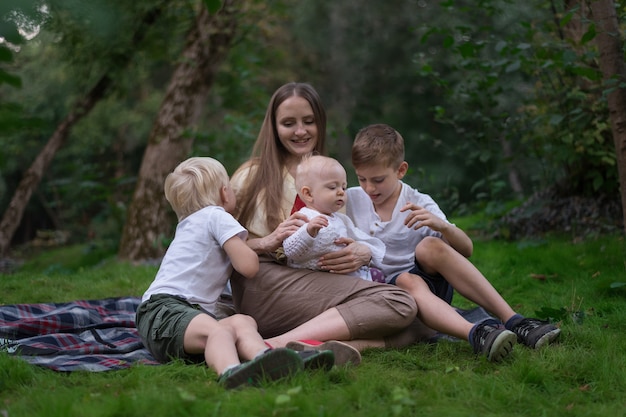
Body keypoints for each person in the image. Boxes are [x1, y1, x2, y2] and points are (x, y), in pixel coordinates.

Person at [230, 82, 433, 363]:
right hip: (266, 283)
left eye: (309, 121)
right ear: (274, 127)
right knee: (399, 303)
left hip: (318, 282)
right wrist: (265, 242)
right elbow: (220, 244)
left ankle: (327, 345)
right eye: (289, 123)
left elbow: (344, 234)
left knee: (424, 318)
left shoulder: (329, 176)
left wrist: (362, 253)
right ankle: (275, 344)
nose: (300, 131)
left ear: (320, 124)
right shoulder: (250, 176)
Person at [345, 123, 562, 361]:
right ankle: (477, 334)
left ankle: (515, 320)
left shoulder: (417, 201)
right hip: (385, 294)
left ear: (401, 170)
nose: (368, 188)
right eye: (362, 178)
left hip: (430, 288)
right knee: (407, 280)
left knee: (430, 246)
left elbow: (466, 249)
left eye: (377, 180)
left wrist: (442, 226)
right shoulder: (349, 199)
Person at [135, 157, 333, 390]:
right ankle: (231, 372)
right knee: (221, 330)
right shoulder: (217, 216)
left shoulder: (191, 223)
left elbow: (233, 250)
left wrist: (268, 242)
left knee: (242, 321)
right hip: (167, 310)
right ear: (224, 192)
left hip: (162, 322)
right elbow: (248, 266)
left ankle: (266, 358)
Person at [282, 154, 385, 281]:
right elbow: (290, 250)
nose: (341, 192)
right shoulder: (304, 218)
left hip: (346, 274)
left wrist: (359, 247)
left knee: (378, 276)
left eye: (343, 187)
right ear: (308, 194)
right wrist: (308, 232)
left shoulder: (341, 219)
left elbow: (359, 238)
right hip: (317, 278)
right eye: (332, 187)